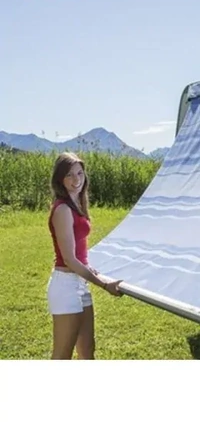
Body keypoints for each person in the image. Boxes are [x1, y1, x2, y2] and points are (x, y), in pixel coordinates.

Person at [46, 152, 123, 360]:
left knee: (87, 350)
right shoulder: (62, 209)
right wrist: (104, 284)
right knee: (62, 355)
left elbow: (80, 253)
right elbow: (69, 259)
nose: (76, 179)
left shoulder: (77, 204)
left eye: (79, 173)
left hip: (80, 283)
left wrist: (89, 269)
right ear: (60, 179)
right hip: (65, 286)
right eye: (69, 175)